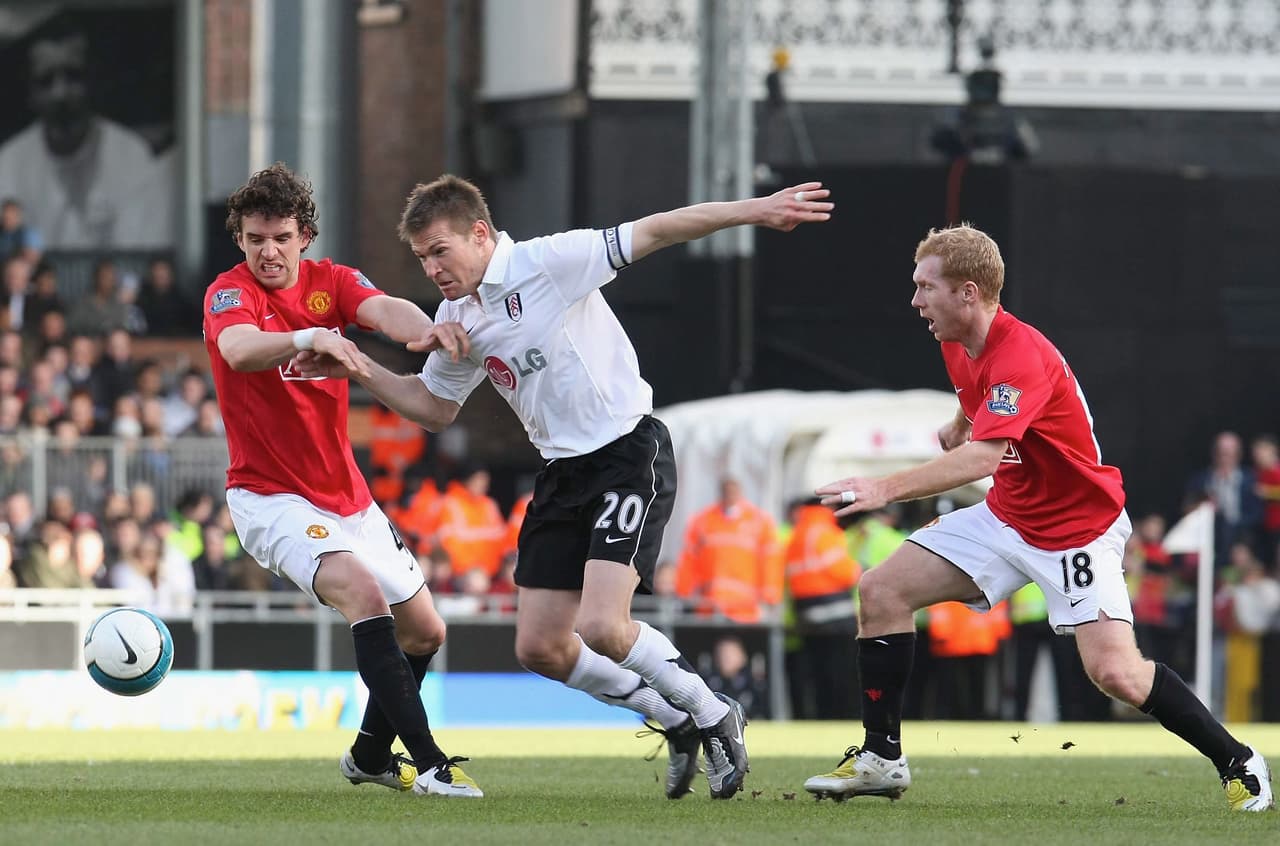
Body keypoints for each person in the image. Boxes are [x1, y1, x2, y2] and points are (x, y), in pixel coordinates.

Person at [295, 173, 833, 800]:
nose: (432, 269)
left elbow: (658, 229)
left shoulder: (548, 262)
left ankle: (715, 712)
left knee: (604, 626)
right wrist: (358, 367)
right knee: (540, 647)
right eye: (421, 258)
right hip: (560, 473)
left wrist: (755, 210)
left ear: (479, 233)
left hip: (626, 452)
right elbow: (434, 407)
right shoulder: (457, 315)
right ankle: (674, 717)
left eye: (440, 250)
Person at [801, 223, 1272, 812]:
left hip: (1079, 531)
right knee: (881, 591)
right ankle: (881, 758)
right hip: (1007, 517)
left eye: (926, 287)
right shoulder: (956, 339)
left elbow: (983, 458)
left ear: (968, 293)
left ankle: (1238, 759)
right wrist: (960, 422)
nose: (915, 300)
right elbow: (979, 402)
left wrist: (883, 487)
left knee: (1117, 675)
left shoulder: (1021, 354)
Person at [201, 163, 481, 798]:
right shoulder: (229, 293)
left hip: (348, 497)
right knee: (362, 593)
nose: (268, 252)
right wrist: (308, 335)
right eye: (254, 239)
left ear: (304, 235)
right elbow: (239, 349)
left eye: (280, 237)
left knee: (427, 631)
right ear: (240, 240)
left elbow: (384, 310)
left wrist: (429, 330)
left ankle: (370, 755)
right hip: (269, 497)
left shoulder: (333, 282)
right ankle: (431, 763)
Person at [0, 20, 172, 249]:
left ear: (93, 81)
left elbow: (143, 250)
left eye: (73, 76)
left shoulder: (131, 156)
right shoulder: (9, 164)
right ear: (30, 93)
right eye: (46, 80)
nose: (60, 93)